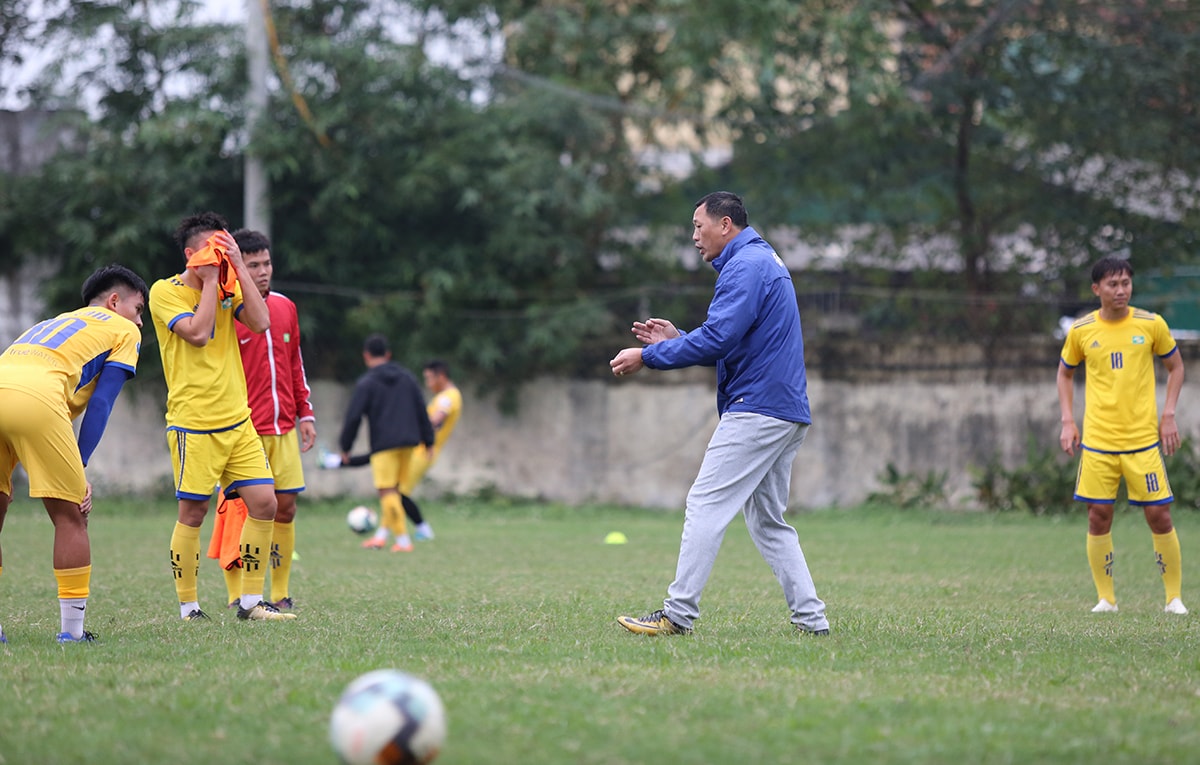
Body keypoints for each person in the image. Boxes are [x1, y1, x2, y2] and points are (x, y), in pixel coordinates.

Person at [609, 191, 829, 637]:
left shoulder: (746, 266)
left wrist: (648, 357)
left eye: (698, 226)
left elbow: (720, 339)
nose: (694, 237)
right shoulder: (759, 260)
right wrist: (676, 339)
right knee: (768, 521)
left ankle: (677, 614)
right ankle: (812, 620)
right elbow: (734, 341)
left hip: (757, 408)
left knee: (705, 504)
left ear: (724, 225)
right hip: (783, 409)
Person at [149, 211, 295, 622]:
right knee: (192, 513)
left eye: (224, 247)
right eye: (214, 248)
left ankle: (250, 603)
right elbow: (197, 333)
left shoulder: (229, 289)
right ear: (191, 253)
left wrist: (236, 269)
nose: (219, 257)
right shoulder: (166, 292)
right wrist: (212, 280)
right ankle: (189, 606)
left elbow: (262, 321)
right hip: (193, 424)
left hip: (238, 420)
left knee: (265, 503)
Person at [0, 264, 147, 643]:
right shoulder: (123, 329)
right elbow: (102, 403)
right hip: (37, 398)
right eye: (138, 309)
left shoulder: (57, 321)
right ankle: (72, 633)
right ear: (115, 301)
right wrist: (78, 466)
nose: (140, 321)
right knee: (71, 516)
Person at [1057, 256, 1187, 615]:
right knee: (1098, 515)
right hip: (1098, 442)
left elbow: (1176, 367)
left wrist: (1169, 415)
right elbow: (1064, 374)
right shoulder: (1082, 330)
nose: (1121, 291)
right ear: (1096, 289)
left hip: (1142, 441)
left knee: (1159, 514)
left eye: (1126, 283)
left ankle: (1173, 598)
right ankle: (1106, 599)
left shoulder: (1151, 324)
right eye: (1113, 284)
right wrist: (1068, 421)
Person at [206, 229, 316, 611]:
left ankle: (280, 594)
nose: (263, 271)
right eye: (253, 265)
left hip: (283, 425)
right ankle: (238, 596)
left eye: (266, 263)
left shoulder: (286, 307)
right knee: (241, 512)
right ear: (238, 268)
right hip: (242, 430)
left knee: (285, 507)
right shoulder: (226, 311)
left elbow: (295, 364)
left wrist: (306, 413)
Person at [336, 359, 461, 541]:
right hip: (416, 448)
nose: (427, 383)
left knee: (393, 493)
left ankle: (398, 535)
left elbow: (436, 419)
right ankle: (403, 531)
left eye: (429, 378)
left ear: (441, 376)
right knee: (396, 493)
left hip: (420, 451)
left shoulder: (448, 397)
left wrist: (412, 429)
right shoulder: (443, 396)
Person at [338, 334, 434, 552]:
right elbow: (421, 408)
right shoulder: (407, 378)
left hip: (383, 444)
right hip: (410, 443)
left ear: (366, 356)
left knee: (387, 492)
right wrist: (428, 440)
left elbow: (354, 416)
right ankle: (381, 536)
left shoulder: (367, 383)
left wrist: (346, 447)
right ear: (388, 355)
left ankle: (403, 541)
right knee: (396, 492)